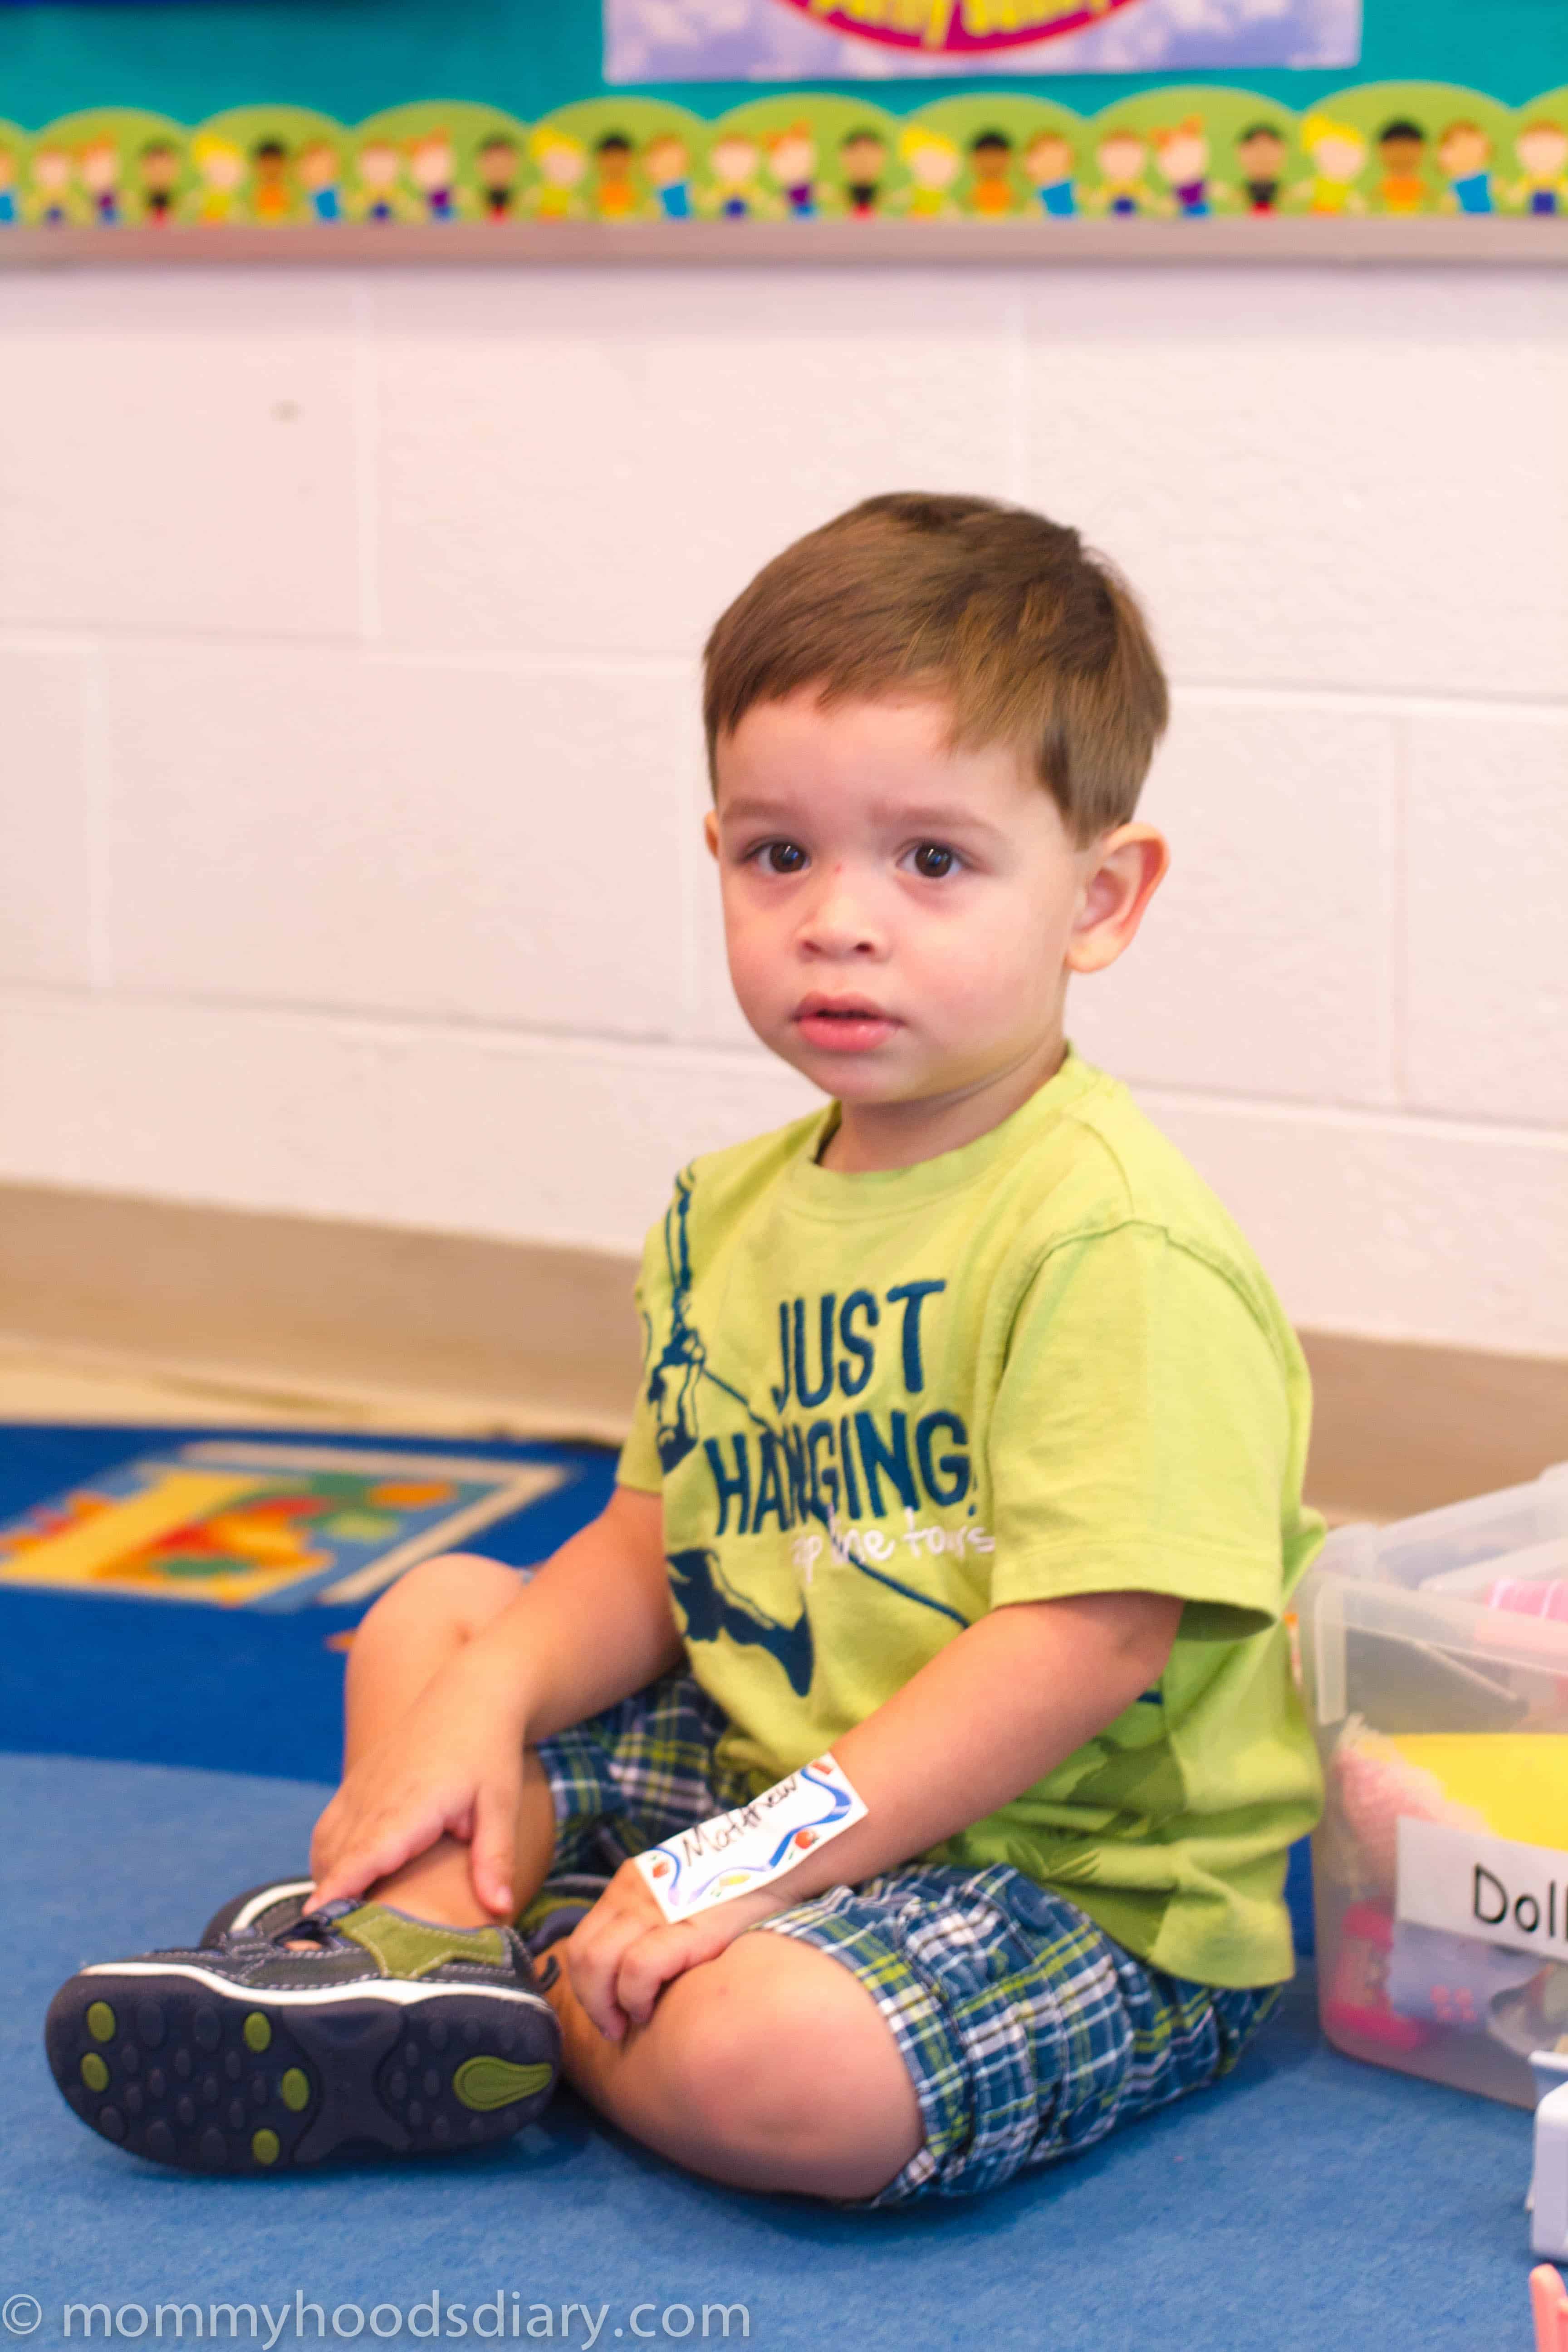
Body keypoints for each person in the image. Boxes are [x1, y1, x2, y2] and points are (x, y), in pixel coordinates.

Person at [45, 493, 1323, 2207]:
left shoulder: (1111, 1242)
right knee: (433, 1628)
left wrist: (749, 1862)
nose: (838, 920)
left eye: (932, 860)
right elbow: (662, 1543)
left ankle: (471, 1976)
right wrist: (485, 1700)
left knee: (785, 2073)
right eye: (778, 854)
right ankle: (468, 1977)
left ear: (1101, 897)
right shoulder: (723, 1213)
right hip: (775, 1750)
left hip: (1066, 1869)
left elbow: (1084, 1650)